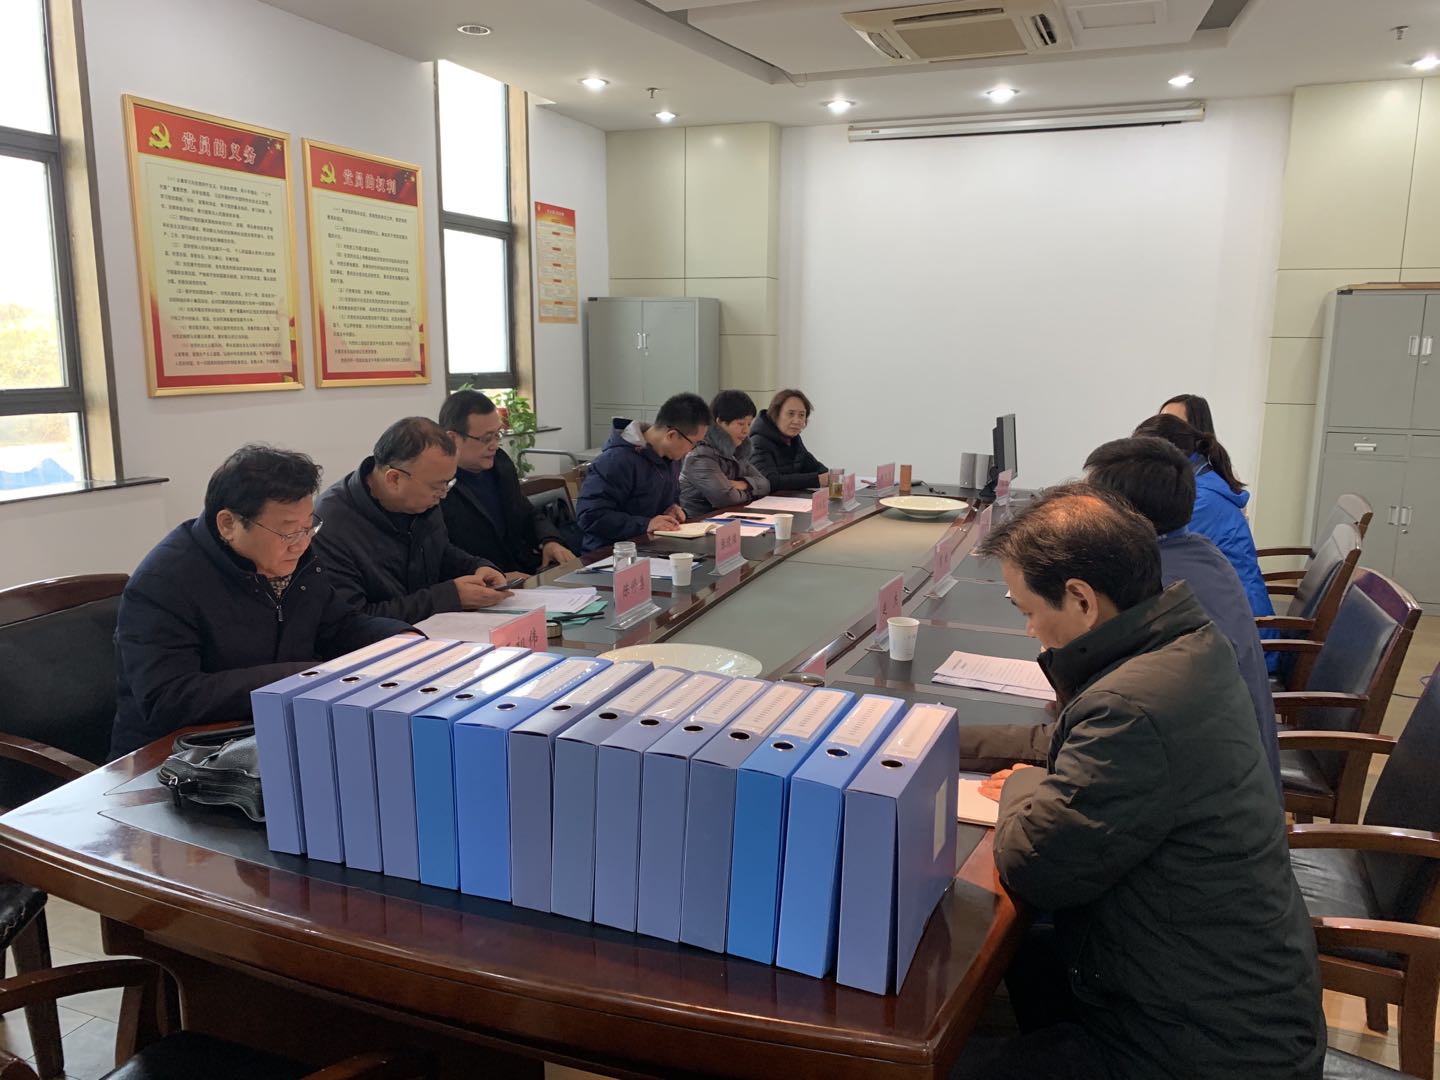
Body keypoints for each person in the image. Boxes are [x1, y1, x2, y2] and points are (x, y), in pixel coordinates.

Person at [961, 484, 1324, 1080]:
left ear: (1081, 599)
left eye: (1028, 612)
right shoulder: (1181, 646)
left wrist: (1025, 786)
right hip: (1208, 994)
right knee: (1017, 961)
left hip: (1195, 1051)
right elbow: (1065, 742)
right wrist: (942, 737)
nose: (1029, 630)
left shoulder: (1132, 707)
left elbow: (1035, 864)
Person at [110, 446, 412, 759]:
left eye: (308, 526)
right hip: (175, 758)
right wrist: (302, 677)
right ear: (228, 524)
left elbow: (339, 625)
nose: (301, 544)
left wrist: (402, 640)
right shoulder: (164, 582)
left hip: (266, 735)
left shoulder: (299, 563)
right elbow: (169, 698)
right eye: (288, 532)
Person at [1083, 435, 1281, 796]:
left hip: (1208, 791)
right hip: (1235, 776)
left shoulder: (1159, 586)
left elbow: (1113, 707)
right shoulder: (1198, 551)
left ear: (1125, 517)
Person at [312, 417, 512, 622]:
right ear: (394, 479)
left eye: (448, 484)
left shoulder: (421, 502)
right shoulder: (330, 524)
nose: (443, 495)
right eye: (437, 486)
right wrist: (448, 598)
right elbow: (353, 620)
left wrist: (476, 567)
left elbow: (440, 551)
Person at [1133, 413, 1274, 623]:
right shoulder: (1201, 483)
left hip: (1243, 627)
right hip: (1231, 614)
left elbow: (1151, 556)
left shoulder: (1198, 500)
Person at [437, 389, 576, 575]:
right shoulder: (438, 485)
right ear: (452, 439)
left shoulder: (500, 463)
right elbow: (443, 553)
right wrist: (494, 575)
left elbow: (525, 511)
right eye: (487, 438)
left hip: (523, 572)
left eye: (498, 435)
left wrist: (549, 540)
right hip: (479, 580)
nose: (494, 445)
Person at [575, 393, 710, 553]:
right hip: (611, 555)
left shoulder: (669, 458)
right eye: (694, 443)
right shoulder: (616, 460)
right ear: (671, 435)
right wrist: (646, 524)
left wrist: (672, 509)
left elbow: (663, 501)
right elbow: (590, 516)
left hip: (653, 547)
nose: (692, 450)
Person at [678, 390, 772, 520]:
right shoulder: (700, 455)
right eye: (740, 424)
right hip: (698, 522)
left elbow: (765, 484)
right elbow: (726, 498)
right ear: (720, 422)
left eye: (749, 424)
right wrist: (752, 490)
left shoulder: (737, 451)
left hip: (728, 519)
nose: (746, 430)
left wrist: (745, 484)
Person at [748, 389, 829, 492]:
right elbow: (768, 481)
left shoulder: (794, 439)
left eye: (801, 415)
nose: (796, 421)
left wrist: (834, 477)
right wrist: (817, 480)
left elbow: (816, 468)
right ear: (776, 415)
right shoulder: (758, 441)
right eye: (791, 414)